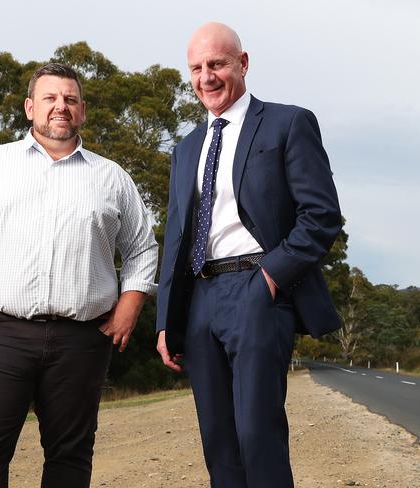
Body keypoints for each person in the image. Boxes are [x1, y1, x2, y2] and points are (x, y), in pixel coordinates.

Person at [0, 63, 158, 488]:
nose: (61, 107)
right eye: (51, 98)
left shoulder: (112, 178)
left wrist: (129, 306)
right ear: (30, 106)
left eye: (70, 99)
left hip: (82, 340)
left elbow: (142, 248)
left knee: (70, 457)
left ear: (83, 111)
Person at [156, 22, 342, 487]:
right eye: (196, 68)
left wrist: (270, 280)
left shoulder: (288, 122)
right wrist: (165, 319)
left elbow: (321, 216)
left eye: (217, 64)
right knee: (218, 441)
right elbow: (176, 239)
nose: (206, 77)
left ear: (243, 63)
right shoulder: (186, 148)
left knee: (257, 435)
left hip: (258, 289)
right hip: (200, 299)